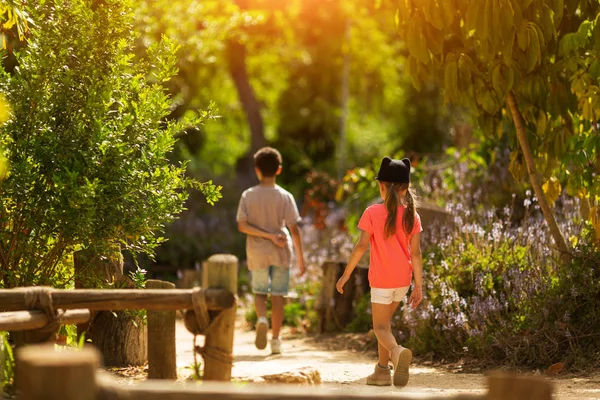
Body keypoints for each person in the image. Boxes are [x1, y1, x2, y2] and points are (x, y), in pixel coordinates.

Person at [336, 156, 423, 388]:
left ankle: (397, 353)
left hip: (382, 280)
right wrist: (419, 286)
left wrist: (346, 274)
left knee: (379, 327)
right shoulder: (412, 215)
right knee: (385, 324)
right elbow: (416, 254)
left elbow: (361, 246)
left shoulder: (372, 212)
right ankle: (382, 372)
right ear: (405, 189)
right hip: (403, 281)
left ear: (381, 187)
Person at [236, 147, 306, 355]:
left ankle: (262, 319)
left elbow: (242, 225)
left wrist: (265, 236)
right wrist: (302, 259)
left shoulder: (248, 195)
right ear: (279, 170)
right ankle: (275, 341)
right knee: (278, 296)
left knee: (259, 292)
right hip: (281, 251)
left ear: (257, 170)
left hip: (257, 252)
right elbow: (294, 229)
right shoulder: (285, 196)